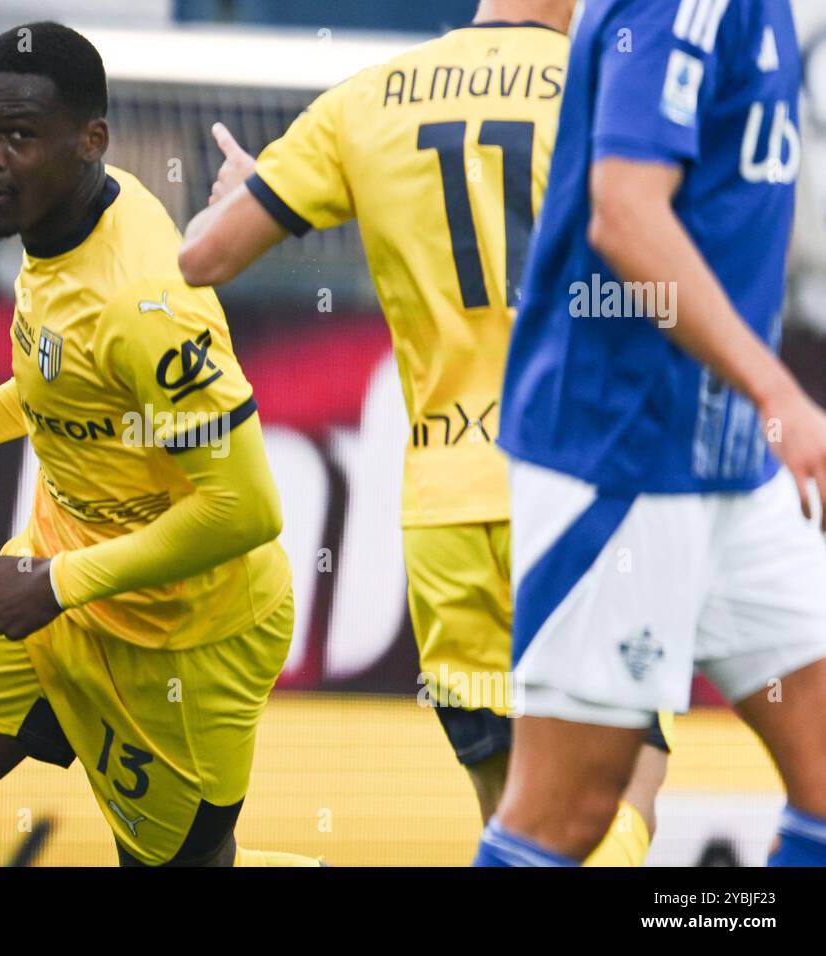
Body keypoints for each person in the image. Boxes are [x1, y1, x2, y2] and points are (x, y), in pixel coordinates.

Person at [178, 0, 668, 865]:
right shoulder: (611, 88)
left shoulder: (365, 99)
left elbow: (202, 259)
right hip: (581, 494)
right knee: (621, 801)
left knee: (514, 822)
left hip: (445, 509)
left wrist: (232, 198)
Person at [0, 21, 318, 867]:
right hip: (53, 582)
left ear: (90, 141)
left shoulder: (149, 305)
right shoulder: (65, 221)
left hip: (180, 636)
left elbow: (246, 509)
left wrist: (56, 583)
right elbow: (71, 383)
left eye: (17, 135)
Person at [473, 0, 826, 866]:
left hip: (726, 460)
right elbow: (624, 212)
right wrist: (780, 392)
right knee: (566, 815)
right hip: (620, 455)